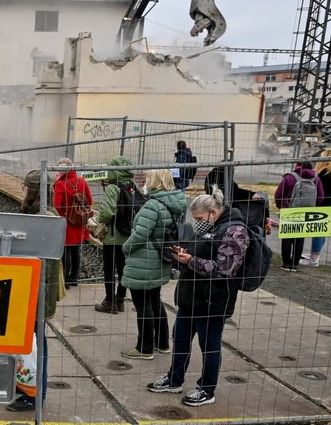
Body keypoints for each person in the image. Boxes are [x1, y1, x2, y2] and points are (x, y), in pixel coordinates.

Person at [147, 188, 249, 406]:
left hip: (214, 301)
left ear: (213, 212)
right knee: (181, 339)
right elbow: (200, 251)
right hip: (191, 297)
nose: (197, 223)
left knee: (209, 346)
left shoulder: (235, 230)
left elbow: (225, 269)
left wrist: (190, 261)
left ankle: (207, 389)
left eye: (200, 219)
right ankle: (174, 379)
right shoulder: (209, 227)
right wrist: (181, 252)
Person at [6, 169, 64, 412]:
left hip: (35, 293)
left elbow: (42, 263)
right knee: (31, 342)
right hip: (32, 291)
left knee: (36, 343)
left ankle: (34, 395)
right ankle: (27, 389)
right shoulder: (43, 214)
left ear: (29, 191)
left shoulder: (43, 218)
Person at [121, 169, 187, 360]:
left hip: (143, 259)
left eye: (148, 178)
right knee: (155, 301)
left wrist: (126, 248)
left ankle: (144, 347)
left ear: (154, 181)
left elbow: (141, 234)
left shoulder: (152, 205)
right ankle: (163, 343)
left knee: (143, 305)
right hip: (160, 258)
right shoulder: (173, 204)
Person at [93, 155, 133, 313]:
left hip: (112, 236)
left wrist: (98, 219)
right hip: (127, 234)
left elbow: (107, 212)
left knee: (109, 269)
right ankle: (120, 300)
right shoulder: (131, 185)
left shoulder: (112, 187)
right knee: (123, 268)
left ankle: (109, 301)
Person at [274, 160, 324, 272]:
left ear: (297, 165)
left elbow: (278, 195)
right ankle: (295, 264)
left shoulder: (289, 177)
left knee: (287, 238)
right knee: (300, 238)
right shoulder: (315, 178)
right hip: (306, 212)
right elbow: (320, 196)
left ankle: (286, 263)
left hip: (289, 210)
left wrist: (282, 207)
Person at [302, 149, 331, 267]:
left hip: (321, 203)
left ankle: (313, 259)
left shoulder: (322, 173)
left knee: (317, 231)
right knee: (322, 230)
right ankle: (315, 254)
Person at [52, 157, 92, 288]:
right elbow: (89, 200)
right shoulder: (81, 181)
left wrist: (65, 216)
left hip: (66, 221)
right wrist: (80, 213)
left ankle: (65, 280)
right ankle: (74, 278)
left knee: (66, 251)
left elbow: (57, 205)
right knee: (76, 250)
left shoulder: (60, 184)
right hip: (79, 221)